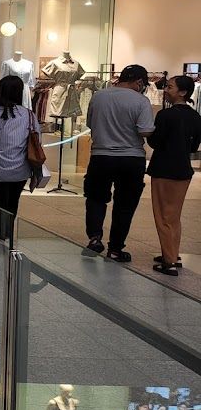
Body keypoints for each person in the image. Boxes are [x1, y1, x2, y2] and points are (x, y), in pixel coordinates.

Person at [82, 64, 155, 263]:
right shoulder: (141, 101)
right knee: (125, 204)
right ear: (139, 82)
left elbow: (90, 123)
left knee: (96, 198)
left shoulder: (99, 96)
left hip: (101, 156)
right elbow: (145, 131)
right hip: (132, 159)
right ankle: (115, 249)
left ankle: (95, 238)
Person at [146, 75, 201, 276]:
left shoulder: (165, 115)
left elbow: (155, 142)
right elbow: (194, 146)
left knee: (163, 216)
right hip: (183, 170)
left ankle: (168, 261)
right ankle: (172, 253)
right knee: (174, 216)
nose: (165, 90)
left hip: (163, 169)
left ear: (183, 92)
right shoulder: (196, 117)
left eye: (170, 87)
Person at [0, 75, 36, 244]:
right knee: (13, 203)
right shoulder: (27, 114)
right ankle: (8, 236)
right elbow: (37, 140)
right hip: (20, 169)